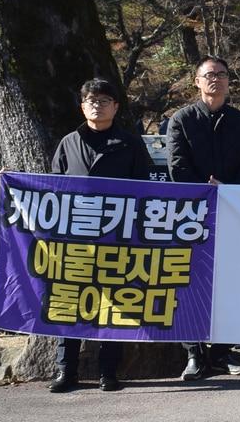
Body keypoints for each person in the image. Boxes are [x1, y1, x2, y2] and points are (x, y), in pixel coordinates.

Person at [47, 78, 152, 393]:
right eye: (92, 100)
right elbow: (53, 187)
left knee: (114, 306)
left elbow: (147, 189)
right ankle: (66, 372)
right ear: (82, 106)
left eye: (104, 100)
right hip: (75, 239)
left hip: (117, 238)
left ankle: (109, 372)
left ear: (116, 107)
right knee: (69, 303)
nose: (98, 105)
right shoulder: (68, 143)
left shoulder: (131, 144)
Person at [165, 56, 240, 380]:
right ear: (197, 81)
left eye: (221, 74)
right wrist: (205, 190)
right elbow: (177, 166)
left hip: (232, 211)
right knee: (190, 283)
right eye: (208, 75)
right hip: (191, 213)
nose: (215, 79)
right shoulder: (181, 120)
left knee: (228, 282)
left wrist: (228, 189)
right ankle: (194, 353)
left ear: (229, 81)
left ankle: (222, 351)